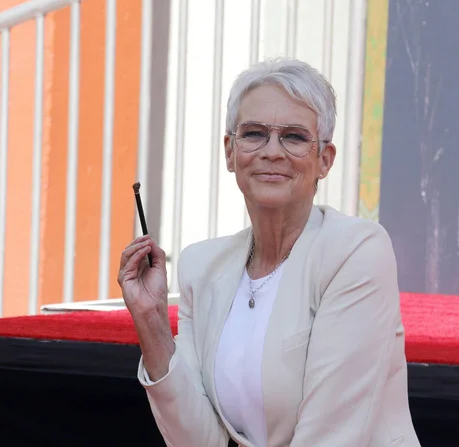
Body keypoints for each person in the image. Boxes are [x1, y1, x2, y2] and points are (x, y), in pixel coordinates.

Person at [118, 57, 421, 447]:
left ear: (324, 160)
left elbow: (331, 438)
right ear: (230, 152)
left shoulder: (355, 252)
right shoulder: (202, 267)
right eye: (254, 134)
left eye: (294, 137)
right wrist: (151, 320)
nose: (272, 151)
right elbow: (198, 440)